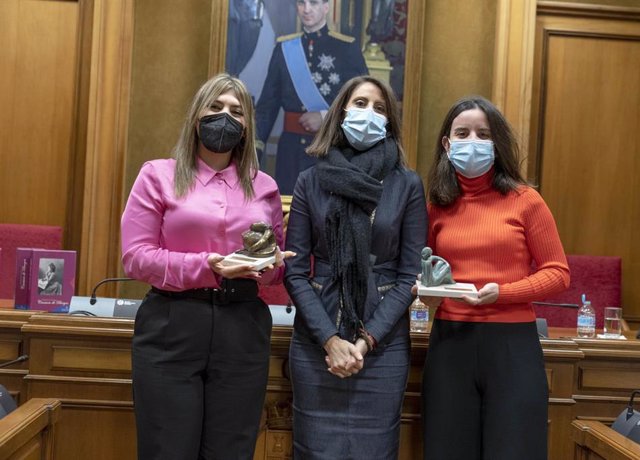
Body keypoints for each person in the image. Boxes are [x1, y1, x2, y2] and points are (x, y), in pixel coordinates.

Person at [120, 73, 294, 460]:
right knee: (168, 449)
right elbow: (135, 256)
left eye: (236, 111)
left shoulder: (263, 185)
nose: (225, 117)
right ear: (197, 116)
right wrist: (209, 266)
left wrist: (273, 265)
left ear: (247, 125)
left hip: (242, 327)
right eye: (215, 107)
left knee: (231, 451)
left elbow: (275, 268)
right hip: (172, 322)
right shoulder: (157, 175)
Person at [284, 75, 427, 459]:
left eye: (380, 108)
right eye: (360, 104)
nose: (369, 114)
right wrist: (331, 340)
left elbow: (409, 275)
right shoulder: (310, 181)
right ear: (341, 112)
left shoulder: (407, 184)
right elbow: (295, 271)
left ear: (390, 122)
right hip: (318, 344)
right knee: (314, 451)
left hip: (382, 346)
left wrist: (365, 342)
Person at [419, 96, 570, 460]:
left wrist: (501, 293)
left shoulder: (526, 200)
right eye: (463, 132)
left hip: (511, 345)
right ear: (447, 143)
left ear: (497, 142)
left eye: (483, 133)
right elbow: (425, 271)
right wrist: (426, 293)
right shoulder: (436, 205)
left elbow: (558, 273)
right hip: (450, 342)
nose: (473, 140)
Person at [255, 0, 369, 195]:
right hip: (290, 152)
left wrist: (325, 117)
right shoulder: (284, 48)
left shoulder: (346, 48)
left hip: (331, 151)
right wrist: (254, 151)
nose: (306, 9)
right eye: (301, 3)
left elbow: (363, 104)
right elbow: (268, 105)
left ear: (326, 7)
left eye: (314, 3)